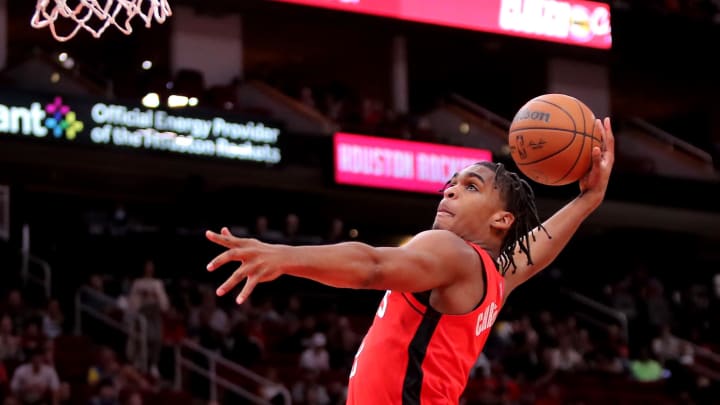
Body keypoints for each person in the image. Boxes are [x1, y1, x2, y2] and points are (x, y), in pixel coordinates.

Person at [205, 117, 615, 404]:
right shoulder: (490, 278)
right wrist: (588, 201)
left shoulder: (451, 250)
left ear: (502, 219)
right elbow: (532, 255)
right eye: (449, 185)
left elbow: (372, 266)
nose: (449, 192)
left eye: (470, 187)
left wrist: (285, 255)